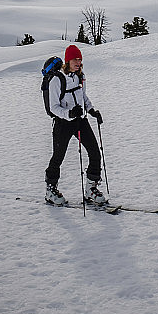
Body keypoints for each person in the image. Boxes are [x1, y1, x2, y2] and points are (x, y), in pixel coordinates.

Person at [45, 44, 106, 207]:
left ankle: (90, 190)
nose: (78, 62)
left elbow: (83, 96)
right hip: (63, 123)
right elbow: (53, 107)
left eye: (80, 59)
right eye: (74, 59)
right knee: (58, 157)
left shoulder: (80, 76)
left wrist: (92, 110)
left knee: (95, 153)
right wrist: (69, 113)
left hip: (80, 121)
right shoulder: (57, 80)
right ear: (67, 60)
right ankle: (50, 190)